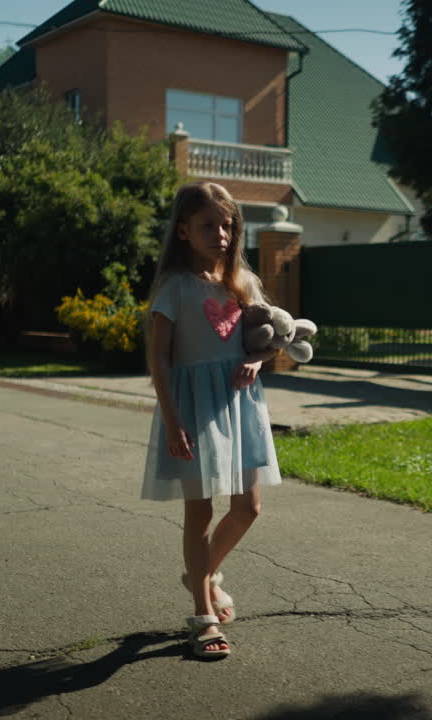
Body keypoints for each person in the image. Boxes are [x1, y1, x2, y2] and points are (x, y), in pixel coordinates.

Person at [142, 181, 281, 660]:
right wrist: (172, 418)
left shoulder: (242, 282)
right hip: (192, 409)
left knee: (248, 507)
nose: (221, 235)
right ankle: (202, 617)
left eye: (227, 226)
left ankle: (200, 573)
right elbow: (158, 357)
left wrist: (257, 361)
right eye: (208, 226)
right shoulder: (174, 287)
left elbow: (268, 341)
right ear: (183, 230)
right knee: (199, 512)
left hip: (239, 405)